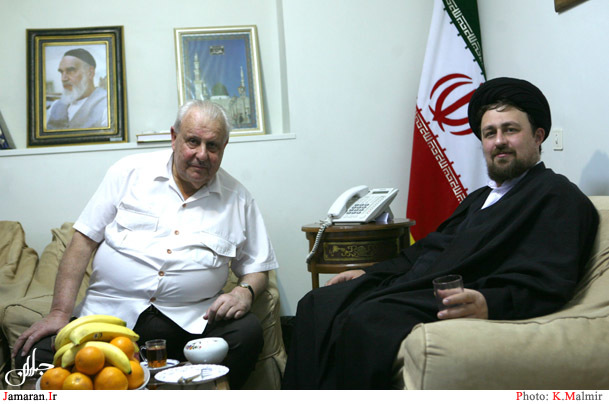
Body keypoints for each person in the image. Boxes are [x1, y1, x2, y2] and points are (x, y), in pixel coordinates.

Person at [281, 77, 599, 389]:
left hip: (455, 294)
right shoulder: (479, 198)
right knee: (316, 303)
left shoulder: (556, 195)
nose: (498, 141)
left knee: (368, 320)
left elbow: (549, 280)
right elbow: (427, 250)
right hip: (415, 283)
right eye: (489, 133)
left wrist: (491, 303)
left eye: (510, 130)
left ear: (538, 136)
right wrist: (369, 273)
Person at [14, 100, 278, 389]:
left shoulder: (239, 200)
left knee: (247, 332)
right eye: (193, 141)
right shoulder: (129, 172)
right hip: (108, 320)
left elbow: (257, 267)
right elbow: (82, 242)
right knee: (32, 355)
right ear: (174, 137)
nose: (202, 154)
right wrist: (59, 314)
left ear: (224, 147)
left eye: (212, 146)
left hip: (192, 327)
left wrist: (244, 291)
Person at [46, 48, 108, 130]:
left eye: (70, 71)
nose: (63, 78)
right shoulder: (55, 106)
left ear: (90, 73)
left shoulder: (107, 106)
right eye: (61, 72)